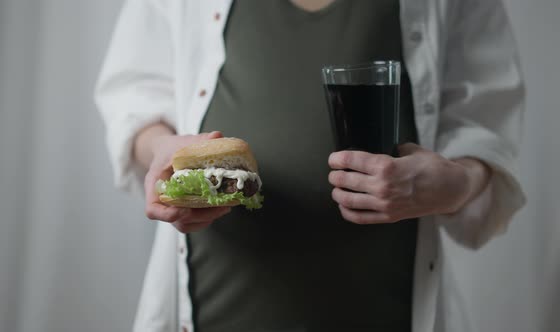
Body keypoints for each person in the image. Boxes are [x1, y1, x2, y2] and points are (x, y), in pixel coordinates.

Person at [95, 0, 526, 331]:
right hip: (218, 305)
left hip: (384, 309)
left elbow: (488, 119)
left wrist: (456, 183)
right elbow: (135, 95)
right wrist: (162, 152)